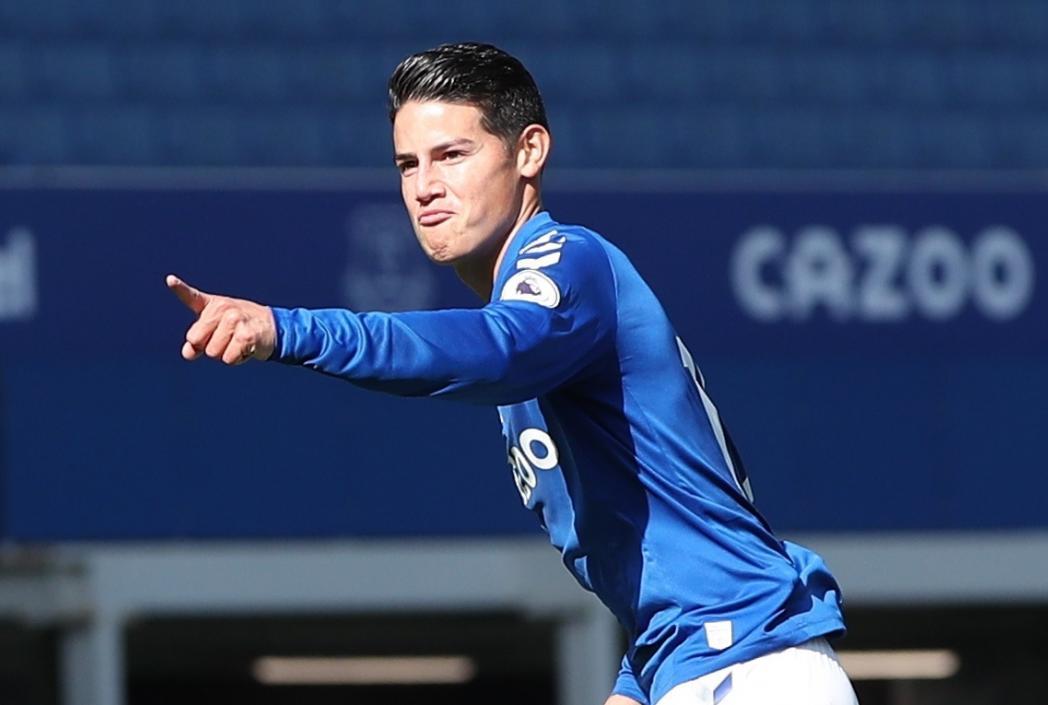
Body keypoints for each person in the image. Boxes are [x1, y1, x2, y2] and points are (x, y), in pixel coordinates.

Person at [166, 42, 858, 705]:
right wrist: (640, 679)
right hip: (702, 661)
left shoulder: (567, 261)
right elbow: (661, 543)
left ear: (529, 151)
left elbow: (497, 349)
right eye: (408, 164)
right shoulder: (533, 329)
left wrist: (287, 329)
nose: (425, 187)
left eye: (452, 155)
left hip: (748, 666)